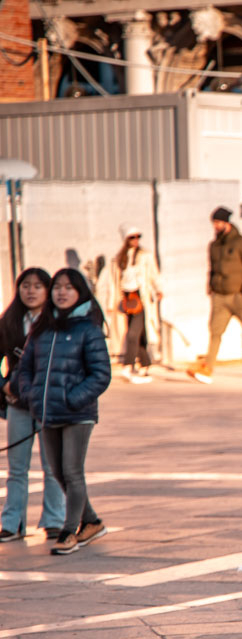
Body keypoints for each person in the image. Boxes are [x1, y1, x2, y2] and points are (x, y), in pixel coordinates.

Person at [16, 269, 112, 556]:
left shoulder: (88, 329)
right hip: (47, 411)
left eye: (68, 288)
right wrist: (32, 395)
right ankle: (91, 521)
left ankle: (70, 531)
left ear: (79, 292)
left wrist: (73, 397)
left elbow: (101, 374)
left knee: (72, 470)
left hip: (77, 413)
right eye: (57, 287)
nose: (61, 292)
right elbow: (25, 369)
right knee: (58, 471)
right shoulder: (42, 328)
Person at [0, 268, 66, 543]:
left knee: (52, 465)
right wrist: (4, 386)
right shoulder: (10, 322)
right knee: (17, 466)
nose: (31, 291)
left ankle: (54, 520)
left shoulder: (57, 322)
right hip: (18, 402)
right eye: (26, 286)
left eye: (38, 286)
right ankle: (12, 522)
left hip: (49, 403)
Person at [187, 207, 242, 384]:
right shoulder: (214, 246)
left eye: (218, 223)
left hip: (239, 296)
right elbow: (212, 269)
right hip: (220, 297)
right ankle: (208, 368)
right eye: (214, 223)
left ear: (226, 223)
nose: (216, 226)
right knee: (215, 332)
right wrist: (211, 288)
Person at [97, 223, 163, 384]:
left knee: (133, 334)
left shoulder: (145, 256)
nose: (136, 240)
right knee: (138, 334)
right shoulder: (119, 258)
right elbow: (114, 282)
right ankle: (145, 365)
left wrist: (158, 289)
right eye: (132, 237)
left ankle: (128, 365)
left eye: (138, 237)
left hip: (140, 298)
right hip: (125, 300)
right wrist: (111, 303)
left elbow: (154, 274)